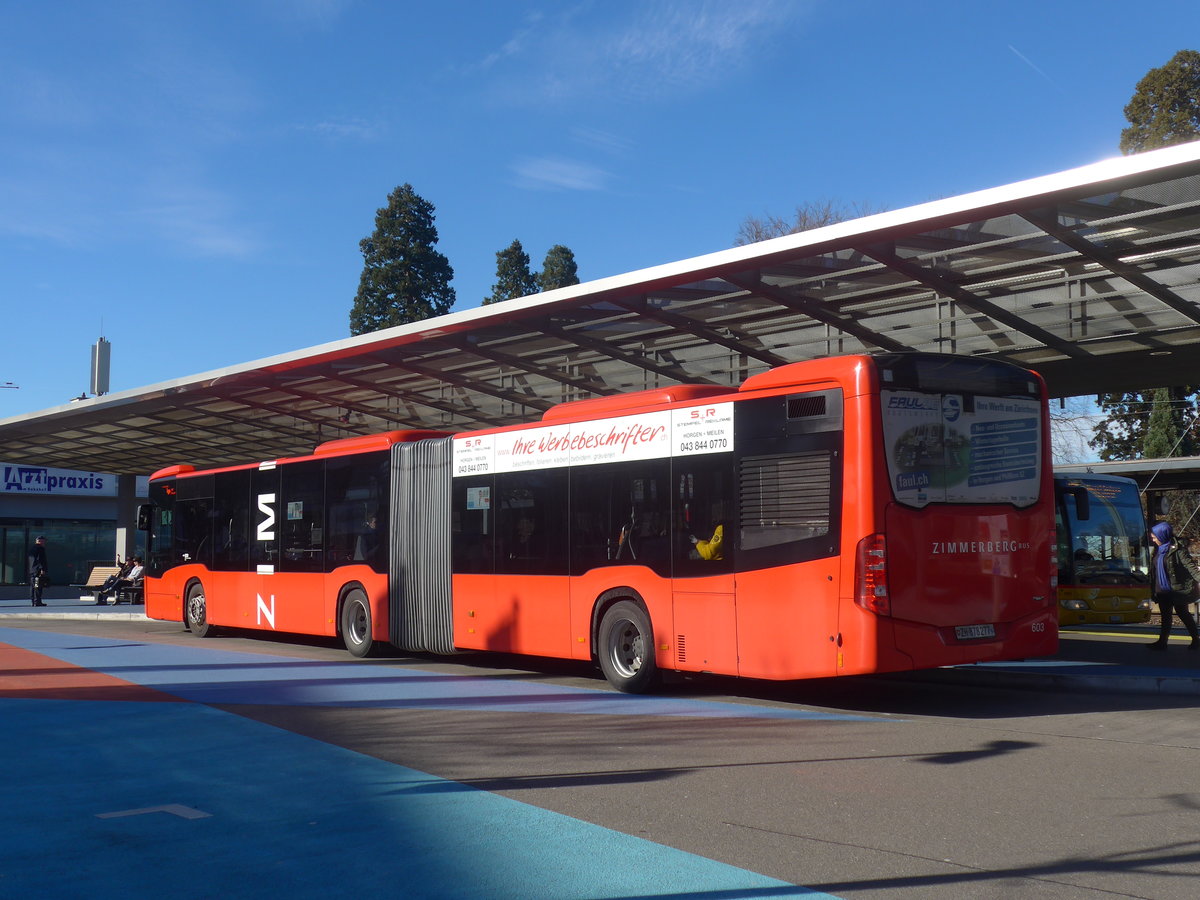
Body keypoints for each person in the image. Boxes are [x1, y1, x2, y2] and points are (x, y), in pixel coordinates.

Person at [1147, 521, 1200, 651]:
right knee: (1165, 616)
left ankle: (1196, 639)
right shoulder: (1157, 550)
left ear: (1162, 535)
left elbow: (1190, 566)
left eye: (1154, 537)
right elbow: (1153, 569)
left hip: (1176, 590)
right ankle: (1162, 642)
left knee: (1183, 613)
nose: (1153, 539)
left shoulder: (1178, 549)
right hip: (1161, 589)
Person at [27, 535, 49, 607]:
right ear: (40, 541)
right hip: (37, 571)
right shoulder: (40, 549)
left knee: (33, 586)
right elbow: (41, 559)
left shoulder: (32, 549)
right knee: (37, 586)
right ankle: (37, 601)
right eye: (43, 541)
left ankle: (33, 601)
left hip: (32, 570)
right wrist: (42, 569)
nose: (44, 543)